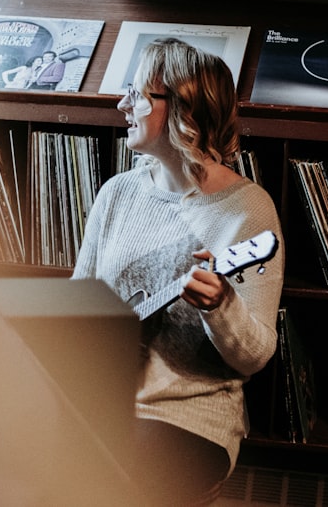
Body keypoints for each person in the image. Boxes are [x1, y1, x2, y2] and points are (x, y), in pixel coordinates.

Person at [72, 37, 284, 505]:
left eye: (139, 94)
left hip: (189, 417)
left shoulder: (247, 211)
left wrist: (221, 306)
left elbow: (255, 356)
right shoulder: (117, 193)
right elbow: (78, 304)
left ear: (184, 110)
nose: (123, 103)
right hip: (101, 401)